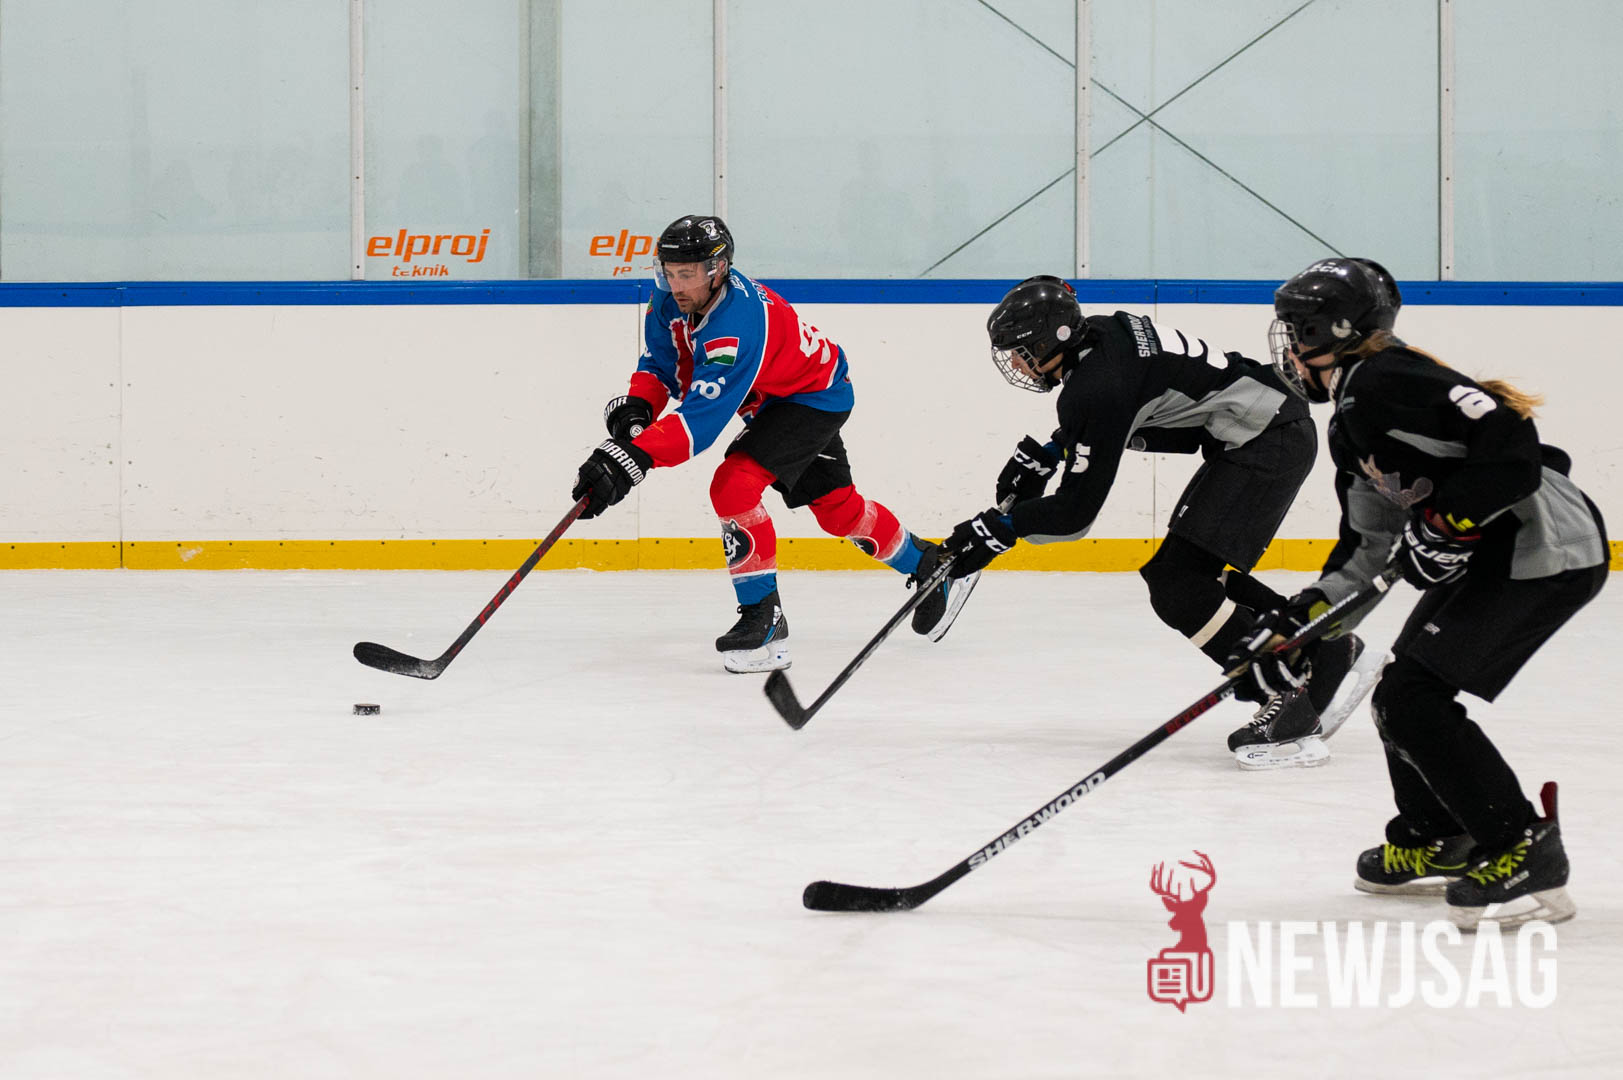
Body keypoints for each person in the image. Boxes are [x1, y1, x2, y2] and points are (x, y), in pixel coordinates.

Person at [1232, 256, 1607, 928]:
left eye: (1296, 330)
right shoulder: (1351, 423)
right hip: (1496, 554)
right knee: (1399, 695)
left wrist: (1448, 521)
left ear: (1334, 331)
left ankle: (1520, 848)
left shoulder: (1387, 377)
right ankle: (1440, 836)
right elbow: (1366, 549)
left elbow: (1510, 441)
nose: (1287, 347)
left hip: (1545, 546)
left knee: (1414, 699)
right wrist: (1302, 622)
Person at [938, 275, 1381, 767]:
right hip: (1264, 429)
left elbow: (1074, 515)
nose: (1017, 364)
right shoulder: (1100, 336)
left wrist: (998, 530)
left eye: (1021, 352)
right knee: (1185, 576)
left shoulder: (1095, 385)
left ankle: (1288, 697)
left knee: (1180, 586)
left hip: (1266, 439)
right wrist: (1054, 449)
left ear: (1050, 341)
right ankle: (1327, 652)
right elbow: (1126, 402)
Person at [569, 215, 979, 673]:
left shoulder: (735, 325)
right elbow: (660, 363)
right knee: (838, 510)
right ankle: (930, 565)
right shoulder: (670, 298)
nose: (676, 284)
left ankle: (764, 618)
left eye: (688, 274)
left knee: (733, 485)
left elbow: (698, 425)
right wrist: (638, 410)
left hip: (812, 399)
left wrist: (631, 456)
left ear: (718, 269)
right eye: (669, 272)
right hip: (776, 397)